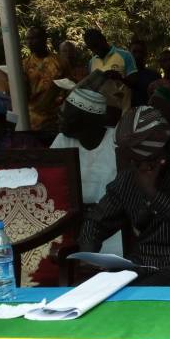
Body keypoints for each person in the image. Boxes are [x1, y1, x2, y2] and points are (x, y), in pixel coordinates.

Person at [78, 106, 170, 286]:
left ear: (162, 154)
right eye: (130, 159)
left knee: (136, 294)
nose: (132, 164)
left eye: (138, 159)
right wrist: (89, 254)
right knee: (87, 292)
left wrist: (153, 195)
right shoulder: (130, 176)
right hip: (137, 264)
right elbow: (96, 220)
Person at [50, 87, 121, 254]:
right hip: (70, 222)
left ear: (86, 121)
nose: (59, 119)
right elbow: (49, 181)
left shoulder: (116, 142)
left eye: (66, 115)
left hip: (111, 226)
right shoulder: (62, 140)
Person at [85, 28, 136, 118]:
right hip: (100, 116)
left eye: (96, 45)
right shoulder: (91, 62)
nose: (95, 50)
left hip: (123, 114)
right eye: (92, 48)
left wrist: (120, 78)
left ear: (103, 39)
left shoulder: (125, 55)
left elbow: (135, 83)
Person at [22, 26, 64, 130]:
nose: (29, 42)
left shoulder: (59, 62)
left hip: (55, 120)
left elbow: (69, 88)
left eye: (33, 38)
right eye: (27, 39)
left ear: (44, 39)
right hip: (32, 120)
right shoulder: (24, 64)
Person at [127, 39, 161, 108]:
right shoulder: (122, 74)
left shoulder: (154, 75)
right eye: (134, 52)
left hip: (148, 113)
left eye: (140, 52)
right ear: (129, 54)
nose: (137, 55)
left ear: (145, 54)